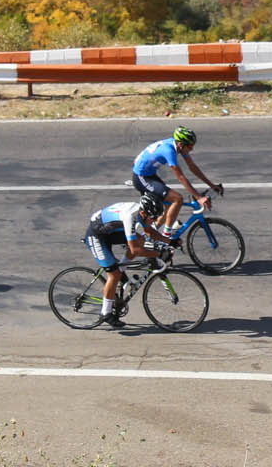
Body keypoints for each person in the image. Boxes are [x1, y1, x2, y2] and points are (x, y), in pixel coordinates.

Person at [84, 195, 174, 328]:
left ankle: (121, 270)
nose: (155, 220)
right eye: (153, 218)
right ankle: (105, 313)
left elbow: (149, 231)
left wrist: (170, 242)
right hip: (96, 235)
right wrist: (159, 254)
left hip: (110, 230)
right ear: (144, 213)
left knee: (141, 240)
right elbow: (135, 249)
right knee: (114, 274)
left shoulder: (141, 212)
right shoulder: (130, 216)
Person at [130, 127, 222, 233]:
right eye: (190, 146)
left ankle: (152, 233)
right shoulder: (169, 150)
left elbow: (192, 167)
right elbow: (181, 177)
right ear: (181, 144)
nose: (192, 149)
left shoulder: (178, 146)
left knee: (168, 204)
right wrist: (199, 198)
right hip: (141, 177)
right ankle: (167, 235)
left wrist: (211, 185)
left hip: (149, 174)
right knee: (177, 199)